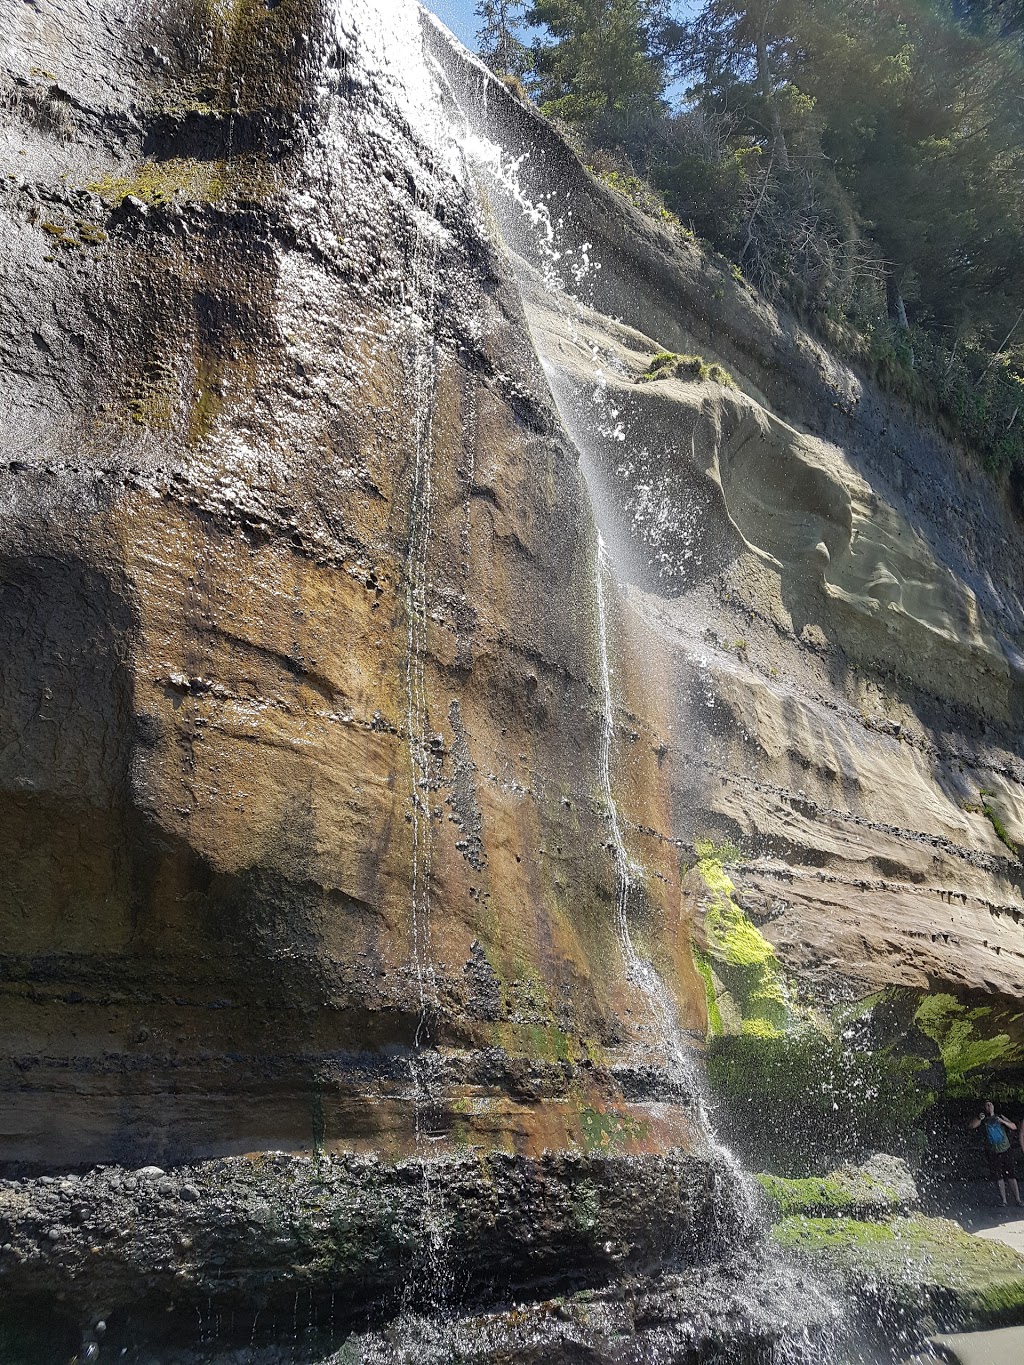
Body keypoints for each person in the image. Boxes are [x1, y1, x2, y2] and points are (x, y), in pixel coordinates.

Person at [968, 1100, 1022, 1206]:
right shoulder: (982, 1118)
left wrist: (1003, 1121)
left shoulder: (1000, 1116)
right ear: (984, 1108)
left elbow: (1014, 1127)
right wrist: (979, 1118)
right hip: (992, 1151)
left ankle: (1018, 1199)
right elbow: (971, 1126)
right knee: (998, 1176)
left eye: (990, 1104)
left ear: (993, 1106)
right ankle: (1004, 1201)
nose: (989, 1106)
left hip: (1006, 1149)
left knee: (1011, 1175)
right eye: (987, 1105)